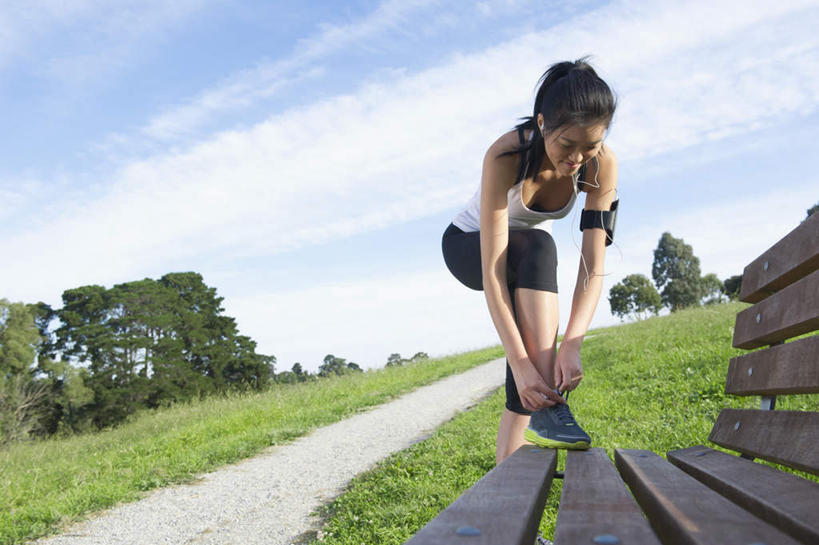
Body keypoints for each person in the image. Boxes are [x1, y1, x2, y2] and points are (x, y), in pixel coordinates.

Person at [441, 58, 618, 465]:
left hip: (530, 264)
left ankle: (511, 517)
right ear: (542, 124)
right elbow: (492, 270)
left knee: (527, 390)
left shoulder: (601, 164)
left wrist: (572, 343)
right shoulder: (506, 155)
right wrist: (520, 364)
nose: (577, 158)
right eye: (566, 145)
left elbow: (593, 263)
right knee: (539, 246)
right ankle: (549, 411)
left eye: (590, 145)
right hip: (469, 247)